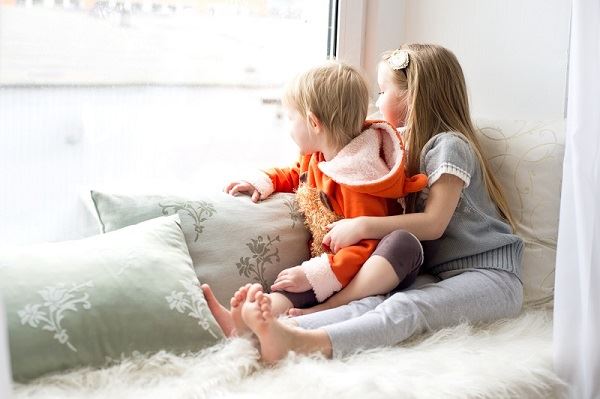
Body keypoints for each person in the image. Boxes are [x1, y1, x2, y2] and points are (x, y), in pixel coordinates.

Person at [204, 43, 524, 363]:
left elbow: (433, 223)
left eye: (382, 91)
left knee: (405, 308)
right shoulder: (398, 144)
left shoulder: (449, 145)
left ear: (410, 97)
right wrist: (266, 179)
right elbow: (310, 165)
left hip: (491, 277)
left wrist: (362, 225)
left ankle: (303, 341)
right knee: (373, 301)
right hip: (441, 273)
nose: (376, 102)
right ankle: (263, 330)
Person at [205, 61, 427, 336]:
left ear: (313, 122)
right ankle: (248, 320)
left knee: (401, 243)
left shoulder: (361, 177)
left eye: (291, 118)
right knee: (295, 283)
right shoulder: (316, 156)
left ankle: (331, 306)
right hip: (336, 262)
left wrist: (320, 273)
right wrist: (264, 181)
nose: (289, 128)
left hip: (376, 265)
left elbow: (368, 246)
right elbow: (295, 174)